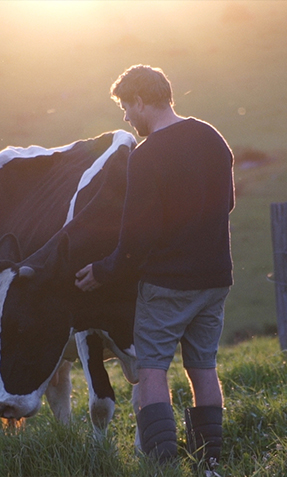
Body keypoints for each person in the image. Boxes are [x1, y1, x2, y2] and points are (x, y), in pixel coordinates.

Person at [75, 65, 234, 470]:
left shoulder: (146, 159)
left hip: (167, 285)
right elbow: (227, 205)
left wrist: (104, 271)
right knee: (203, 368)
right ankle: (209, 463)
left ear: (141, 101)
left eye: (127, 108)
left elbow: (136, 239)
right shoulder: (212, 138)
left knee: (152, 371)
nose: (126, 118)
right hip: (214, 279)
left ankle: (163, 467)